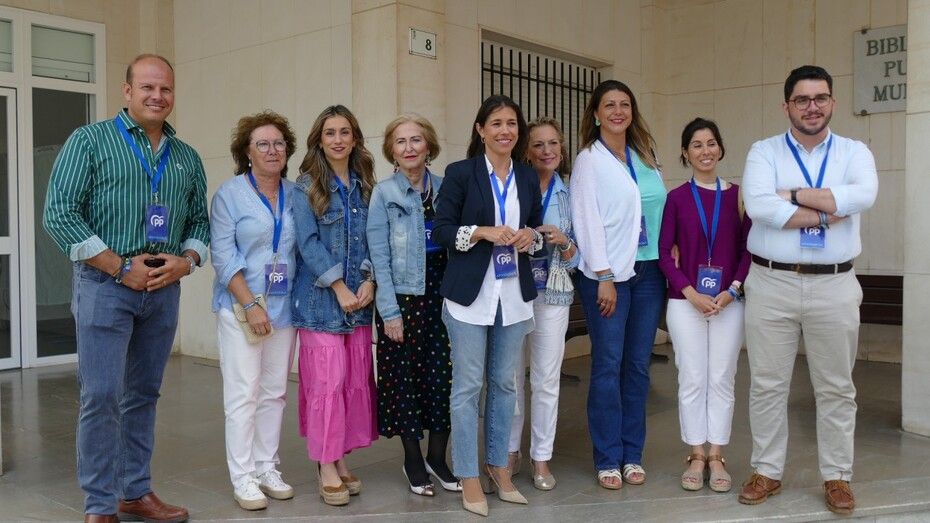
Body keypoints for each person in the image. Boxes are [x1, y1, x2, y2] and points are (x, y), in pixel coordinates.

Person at [43, 54, 208, 523]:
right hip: (104, 286)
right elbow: (60, 215)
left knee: (144, 394)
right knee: (101, 396)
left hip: (163, 290)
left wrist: (187, 261)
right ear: (127, 91)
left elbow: (200, 221)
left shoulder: (186, 157)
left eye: (166, 89)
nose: (158, 96)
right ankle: (100, 505)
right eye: (148, 87)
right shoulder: (89, 141)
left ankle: (134, 491)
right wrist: (119, 268)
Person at [738, 65, 878, 515]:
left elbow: (862, 197)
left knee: (836, 387)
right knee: (766, 384)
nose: (812, 107)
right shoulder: (764, 151)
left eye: (820, 98)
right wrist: (825, 210)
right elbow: (759, 206)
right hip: (771, 281)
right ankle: (766, 470)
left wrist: (792, 194)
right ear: (787, 106)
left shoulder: (854, 152)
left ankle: (837, 475)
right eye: (802, 99)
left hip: (835, 284)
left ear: (832, 102)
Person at [432, 94, 544, 516]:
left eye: (511, 123)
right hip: (469, 297)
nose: (504, 131)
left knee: (505, 384)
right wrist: (482, 231)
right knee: (467, 387)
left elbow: (535, 227)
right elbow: (442, 230)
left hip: (512, 296)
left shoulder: (527, 176)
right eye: (496, 123)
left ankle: (498, 466)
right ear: (480, 130)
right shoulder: (460, 173)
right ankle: (468, 474)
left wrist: (529, 236)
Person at [571, 79, 667, 490]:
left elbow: (658, 210)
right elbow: (586, 219)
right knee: (608, 365)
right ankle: (608, 456)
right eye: (609, 105)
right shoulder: (588, 160)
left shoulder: (646, 155)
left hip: (649, 273)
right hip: (609, 276)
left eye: (624, 104)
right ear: (595, 114)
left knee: (637, 366)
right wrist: (603, 275)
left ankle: (632, 454)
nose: (617, 111)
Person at [209, 111, 299, 510]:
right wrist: (249, 304)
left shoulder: (295, 194)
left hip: (283, 306)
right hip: (241, 306)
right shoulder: (229, 195)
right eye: (262, 144)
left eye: (278, 143)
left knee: (275, 392)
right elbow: (223, 255)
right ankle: (243, 476)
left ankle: (266, 467)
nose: (272, 150)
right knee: (243, 393)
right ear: (247, 152)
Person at [367, 114, 460, 496]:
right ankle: (412, 460)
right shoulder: (383, 194)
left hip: (444, 295)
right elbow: (379, 257)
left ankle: (438, 457)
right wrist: (389, 313)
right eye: (401, 141)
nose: (409, 148)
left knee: (443, 379)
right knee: (403, 382)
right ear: (392, 150)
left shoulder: (447, 188)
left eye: (416, 140)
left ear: (428, 146)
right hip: (403, 299)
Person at [291, 105, 378, 507]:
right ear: (319, 140)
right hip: (320, 303)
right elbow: (307, 243)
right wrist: (339, 286)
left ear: (355, 138)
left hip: (359, 302)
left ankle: (340, 455)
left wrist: (370, 280)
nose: (338, 139)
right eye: (330, 133)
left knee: (350, 381)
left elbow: (376, 238)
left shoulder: (365, 186)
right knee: (327, 384)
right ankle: (326, 463)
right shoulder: (307, 185)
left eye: (345, 132)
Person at [658, 118, 750, 493]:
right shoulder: (677, 198)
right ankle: (696, 453)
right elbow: (663, 253)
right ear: (685, 152)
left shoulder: (738, 197)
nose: (705, 151)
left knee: (722, 378)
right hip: (686, 302)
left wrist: (733, 290)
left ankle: (717, 455)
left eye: (711, 143)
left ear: (721, 148)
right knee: (693, 377)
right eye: (696, 145)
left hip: (729, 301)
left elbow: (748, 250)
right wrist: (690, 292)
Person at [506, 117, 579, 491]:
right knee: (511, 378)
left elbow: (579, 258)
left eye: (553, 143)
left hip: (553, 294)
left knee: (546, 380)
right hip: (514, 290)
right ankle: (509, 451)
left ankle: (541, 457)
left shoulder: (572, 195)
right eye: (538, 144)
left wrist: (563, 241)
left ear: (561, 149)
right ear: (526, 151)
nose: (547, 151)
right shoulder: (512, 187)